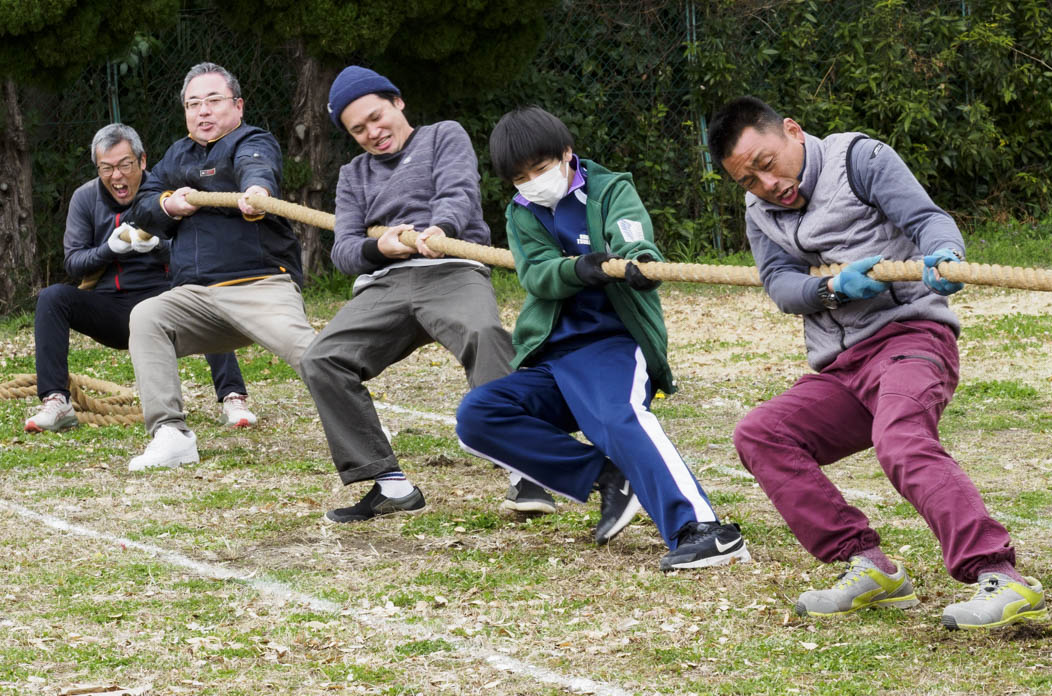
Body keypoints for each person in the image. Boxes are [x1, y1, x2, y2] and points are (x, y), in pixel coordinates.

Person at [707, 96, 1046, 627]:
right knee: (761, 433)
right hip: (842, 367)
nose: (767, 185)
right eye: (748, 181)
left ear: (792, 130)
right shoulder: (759, 213)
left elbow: (929, 220)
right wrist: (831, 289)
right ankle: (867, 566)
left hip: (911, 339)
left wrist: (945, 256)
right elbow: (780, 284)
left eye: (767, 165)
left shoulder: (859, 159)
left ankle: (1000, 574)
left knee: (900, 439)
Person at [454, 106, 751, 570]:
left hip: (613, 344)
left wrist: (639, 262)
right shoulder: (521, 212)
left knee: (618, 417)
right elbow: (536, 275)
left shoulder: (610, 189)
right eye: (520, 177)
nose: (532, 182)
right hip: (555, 359)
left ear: (566, 153)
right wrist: (579, 268)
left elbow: (633, 236)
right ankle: (609, 475)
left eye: (539, 168)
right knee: (478, 415)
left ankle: (705, 531)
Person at [298, 67, 554, 523]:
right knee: (322, 359)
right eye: (358, 130)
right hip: (386, 282)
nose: (372, 133)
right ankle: (390, 486)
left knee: (483, 333)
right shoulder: (353, 174)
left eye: (376, 117)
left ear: (397, 102)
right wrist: (381, 248)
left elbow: (458, 193)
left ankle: (527, 470)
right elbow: (344, 250)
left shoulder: (442, 136)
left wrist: (441, 230)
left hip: (451, 268)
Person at [126, 62, 315, 471]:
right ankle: (170, 434)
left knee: (309, 352)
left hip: (259, 284)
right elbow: (142, 205)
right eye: (193, 104)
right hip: (196, 295)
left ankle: (360, 422)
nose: (203, 111)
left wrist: (256, 192)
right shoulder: (176, 155)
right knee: (147, 316)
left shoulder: (252, 140)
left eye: (213, 100)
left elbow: (257, 168)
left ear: (238, 106)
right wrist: (168, 204)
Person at [25, 123, 256, 433]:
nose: (116, 176)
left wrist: (160, 247)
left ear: (142, 160)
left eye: (125, 165)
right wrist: (108, 249)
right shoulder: (85, 198)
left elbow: (200, 255)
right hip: (113, 311)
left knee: (201, 291)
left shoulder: (170, 196)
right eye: (106, 168)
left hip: (165, 306)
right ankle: (57, 402)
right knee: (52, 297)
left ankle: (233, 397)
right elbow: (74, 263)